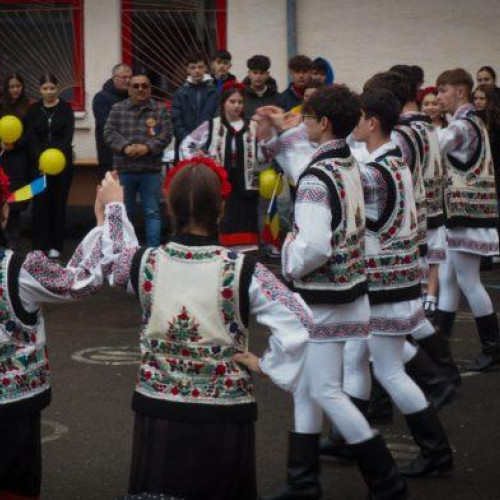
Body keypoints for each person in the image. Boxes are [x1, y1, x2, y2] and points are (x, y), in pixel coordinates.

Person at [97, 160, 311, 500]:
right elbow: (302, 322)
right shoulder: (244, 270)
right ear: (221, 209)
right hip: (225, 414)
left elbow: (113, 260)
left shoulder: (144, 262)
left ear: (169, 207)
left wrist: (113, 207)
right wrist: (268, 365)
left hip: (159, 410)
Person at [257, 87, 408, 500]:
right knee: (309, 386)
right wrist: (283, 130)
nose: (304, 123)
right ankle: (303, 481)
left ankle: (386, 482)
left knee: (324, 390)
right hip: (350, 292)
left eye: (308, 117)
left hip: (326, 296)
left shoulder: (317, 176)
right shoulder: (349, 162)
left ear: (323, 123)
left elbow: (314, 247)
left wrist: (288, 252)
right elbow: (302, 162)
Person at [346, 87, 453, 478]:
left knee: (389, 370)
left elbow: (338, 185)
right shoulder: (394, 162)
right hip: (396, 280)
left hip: (386, 286)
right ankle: (350, 436)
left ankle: (436, 451)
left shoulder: (376, 171)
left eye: (358, 117)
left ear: (372, 122)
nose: (354, 124)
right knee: (358, 359)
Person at [0, 165, 121, 499]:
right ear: (5, 212)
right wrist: (103, 222)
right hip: (14, 407)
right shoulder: (21, 268)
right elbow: (81, 280)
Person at [436, 68, 500, 370]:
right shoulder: (471, 121)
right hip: (466, 213)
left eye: (443, 90)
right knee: (450, 278)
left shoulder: (463, 125)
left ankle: (493, 346)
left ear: (460, 91)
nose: (438, 97)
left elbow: (434, 147)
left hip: (467, 214)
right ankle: (440, 348)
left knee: (467, 281)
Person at [180, 83, 266, 248]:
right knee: (221, 216)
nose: (237, 106)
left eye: (240, 102)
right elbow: (187, 144)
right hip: (219, 183)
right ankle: (220, 249)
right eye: (232, 102)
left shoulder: (253, 126)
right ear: (223, 103)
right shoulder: (212, 125)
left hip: (246, 183)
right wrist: (200, 162)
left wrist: (260, 164)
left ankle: (246, 251)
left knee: (246, 218)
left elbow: (265, 152)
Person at [104, 73, 172, 247]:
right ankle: (124, 251)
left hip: (150, 170)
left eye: (144, 86)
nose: (140, 89)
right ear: (128, 89)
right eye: (135, 86)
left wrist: (147, 147)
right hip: (124, 170)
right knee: (123, 213)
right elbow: (109, 132)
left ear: (150, 89)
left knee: (152, 212)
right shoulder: (117, 109)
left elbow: (166, 134)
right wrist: (125, 147)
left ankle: (153, 252)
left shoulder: (159, 110)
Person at [25, 73, 75, 260]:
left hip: (62, 165)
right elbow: (31, 137)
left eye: (52, 88)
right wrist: (41, 160)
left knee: (58, 203)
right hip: (38, 166)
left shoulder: (66, 108)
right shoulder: (33, 110)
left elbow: (67, 136)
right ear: (40, 90)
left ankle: (56, 245)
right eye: (45, 88)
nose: (49, 92)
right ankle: (39, 245)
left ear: (57, 88)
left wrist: (54, 160)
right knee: (40, 204)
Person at [0, 72, 32, 249]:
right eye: (12, 86)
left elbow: (30, 134)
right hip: (2, 156)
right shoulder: (1, 105)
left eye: (18, 86)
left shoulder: (28, 107)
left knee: (16, 197)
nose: (15, 90)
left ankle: (13, 237)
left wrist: (16, 143)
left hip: (19, 158)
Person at [171, 52, 218, 160]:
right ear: (187, 70)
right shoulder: (180, 93)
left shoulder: (214, 93)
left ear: (205, 68)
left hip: (208, 147)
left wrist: (205, 146)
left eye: (200, 67)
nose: (197, 70)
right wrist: (189, 141)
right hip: (185, 145)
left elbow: (216, 120)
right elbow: (176, 120)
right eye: (193, 67)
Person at [92, 63, 132, 179]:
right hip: (110, 156)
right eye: (124, 77)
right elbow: (107, 127)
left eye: (130, 77)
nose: (128, 80)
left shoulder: (133, 97)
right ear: (114, 78)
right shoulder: (101, 98)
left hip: (132, 156)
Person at [242, 54, 279, 119]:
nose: (258, 76)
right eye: (255, 73)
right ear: (249, 74)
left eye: (262, 73)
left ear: (267, 74)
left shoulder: (278, 98)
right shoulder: (240, 97)